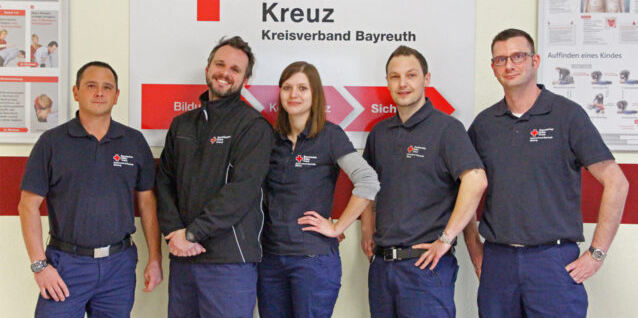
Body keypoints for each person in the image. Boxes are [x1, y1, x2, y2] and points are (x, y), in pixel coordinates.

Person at [464, 28, 629, 318]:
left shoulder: (567, 115)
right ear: (493, 67)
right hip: (498, 261)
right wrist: (475, 248)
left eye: (518, 56)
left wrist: (597, 253)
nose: (509, 65)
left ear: (535, 61)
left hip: (552, 261)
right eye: (501, 59)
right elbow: (463, 191)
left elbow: (617, 182)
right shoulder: (484, 125)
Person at [18, 61, 163, 318]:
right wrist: (40, 266)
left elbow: (147, 203)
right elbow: (27, 205)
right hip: (66, 265)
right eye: (91, 86)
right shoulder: (51, 142)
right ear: (76, 92)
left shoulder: (134, 141)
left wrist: (155, 258)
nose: (99, 93)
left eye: (107, 87)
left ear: (116, 96)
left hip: (118, 266)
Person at [360, 45, 487, 318]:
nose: (402, 83)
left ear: (426, 79)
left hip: (426, 269)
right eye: (395, 77)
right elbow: (366, 186)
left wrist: (446, 238)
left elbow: (476, 180)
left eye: (411, 75)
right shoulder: (379, 133)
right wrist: (367, 229)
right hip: (382, 267)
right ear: (387, 82)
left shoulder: (447, 129)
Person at [156, 36, 273, 318]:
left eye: (235, 69)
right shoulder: (182, 124)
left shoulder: (253, 126)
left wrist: (192, 233)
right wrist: (175, 233)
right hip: (183, 258)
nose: (225, 73)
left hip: (229, 263)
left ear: (246, 79)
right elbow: (164, 182)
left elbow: (241, 191)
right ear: (208, 68)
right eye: (220, 64)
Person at [258, 61, 380, 318]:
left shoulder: (330, 136)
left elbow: (368, 180)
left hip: (313, 261)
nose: (294, 94)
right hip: (271, 259)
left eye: (302, 88)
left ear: (315, 95)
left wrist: (338, 227)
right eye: (287, 87)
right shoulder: (270, 139)